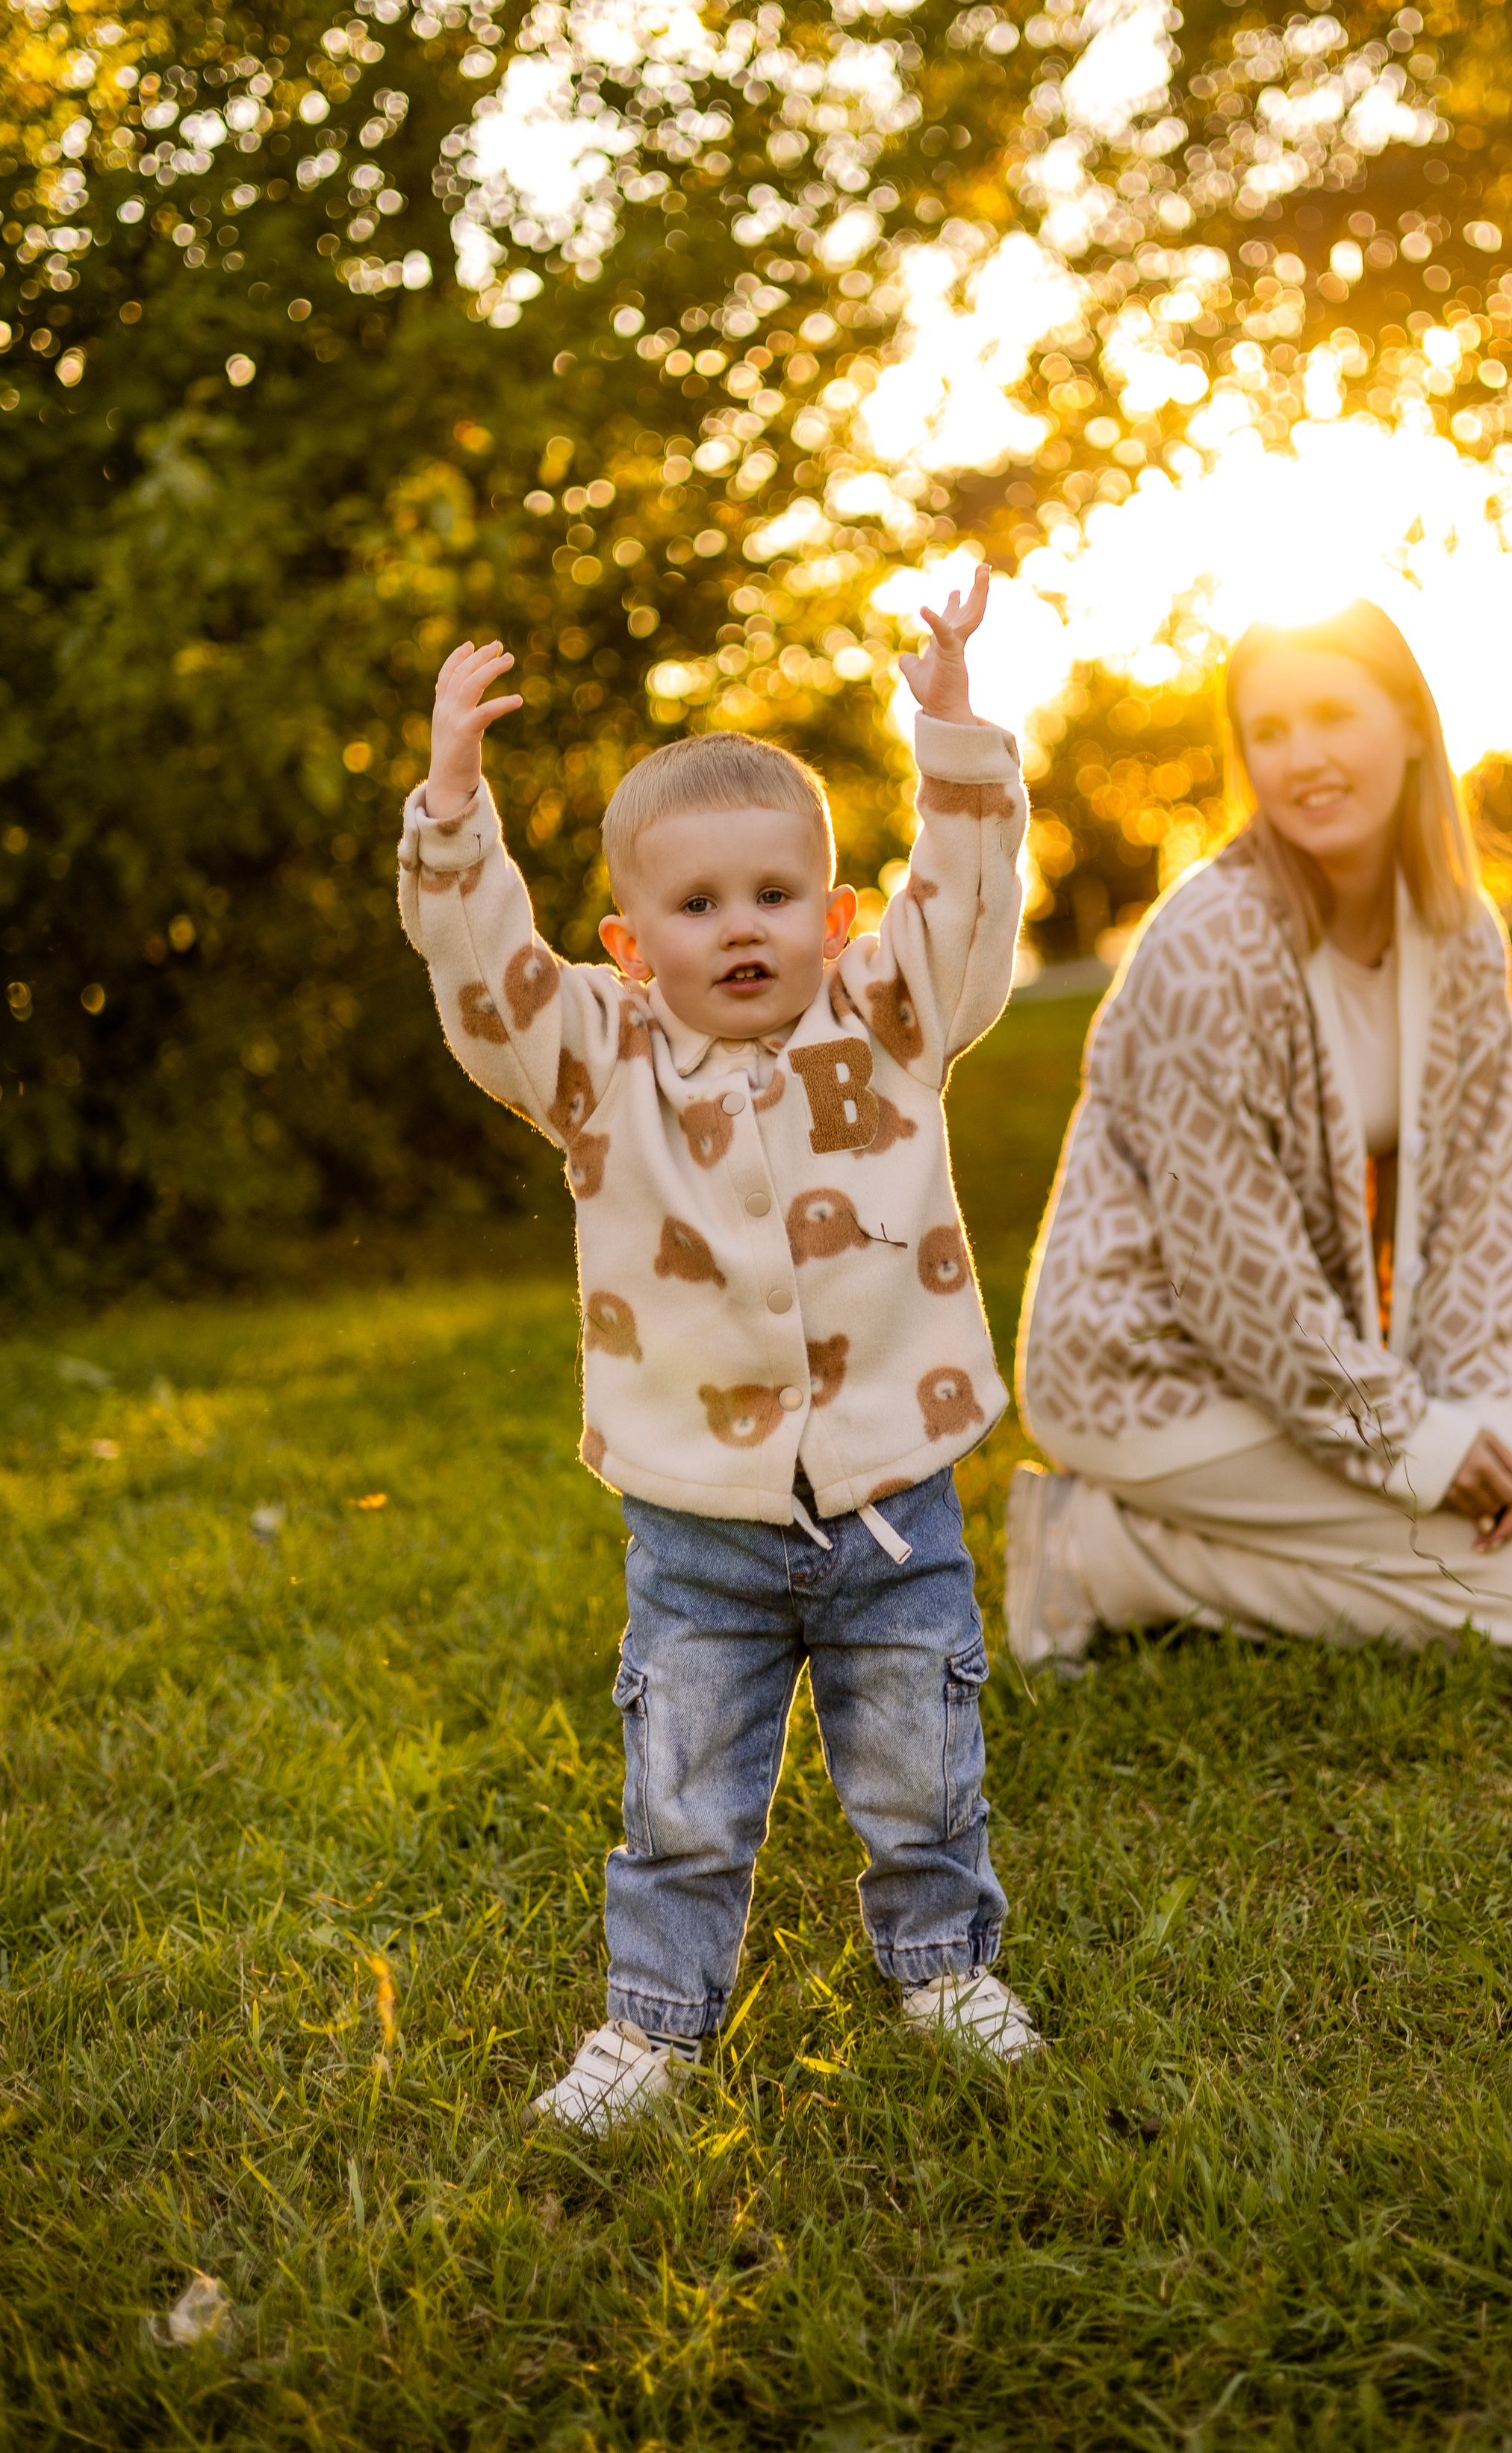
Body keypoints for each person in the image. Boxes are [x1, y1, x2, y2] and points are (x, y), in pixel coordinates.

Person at [399, 571, 1041, 2133]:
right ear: (631, 941)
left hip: (891, 1491)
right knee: (680, 1794)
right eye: (694, 907)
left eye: (770, 897)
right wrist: (453, 808)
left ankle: (941, 1965)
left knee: (916, 1766)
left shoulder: (891, 1019)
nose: (736, 929)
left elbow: (962, 905)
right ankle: (655, 2024)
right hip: (696, 1521)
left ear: (831, 919)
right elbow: (486, 986)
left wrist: (948, 738)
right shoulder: (599, 1057)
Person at [1009, 600, 1512, 1668]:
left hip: (1294, 1375)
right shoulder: (1209, 943)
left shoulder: (1464, 936)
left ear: (1414, 724)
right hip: (1145, 1369)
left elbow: (1481, 1204)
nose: (1302, 759)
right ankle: (1095, 1553)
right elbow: (1237, 1271)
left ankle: (1172, 1541)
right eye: (1269, 732)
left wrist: (1475, 1422)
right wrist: (1412, 1442)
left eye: (1333, 714)